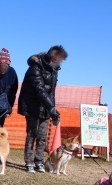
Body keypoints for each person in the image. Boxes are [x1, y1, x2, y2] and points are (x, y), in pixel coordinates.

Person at [18, 45, 68, 173]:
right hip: (32, 107)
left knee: (42, 136)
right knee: (32, 135)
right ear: (53, 57)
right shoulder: (35, 67)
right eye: (59, 60)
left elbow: (51, 93)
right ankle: (29, 161)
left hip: (45, 108)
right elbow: (40, 90)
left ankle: (39, 161)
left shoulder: (54, 70)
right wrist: (50, 107)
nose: (60, 63)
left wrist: (53, 111)